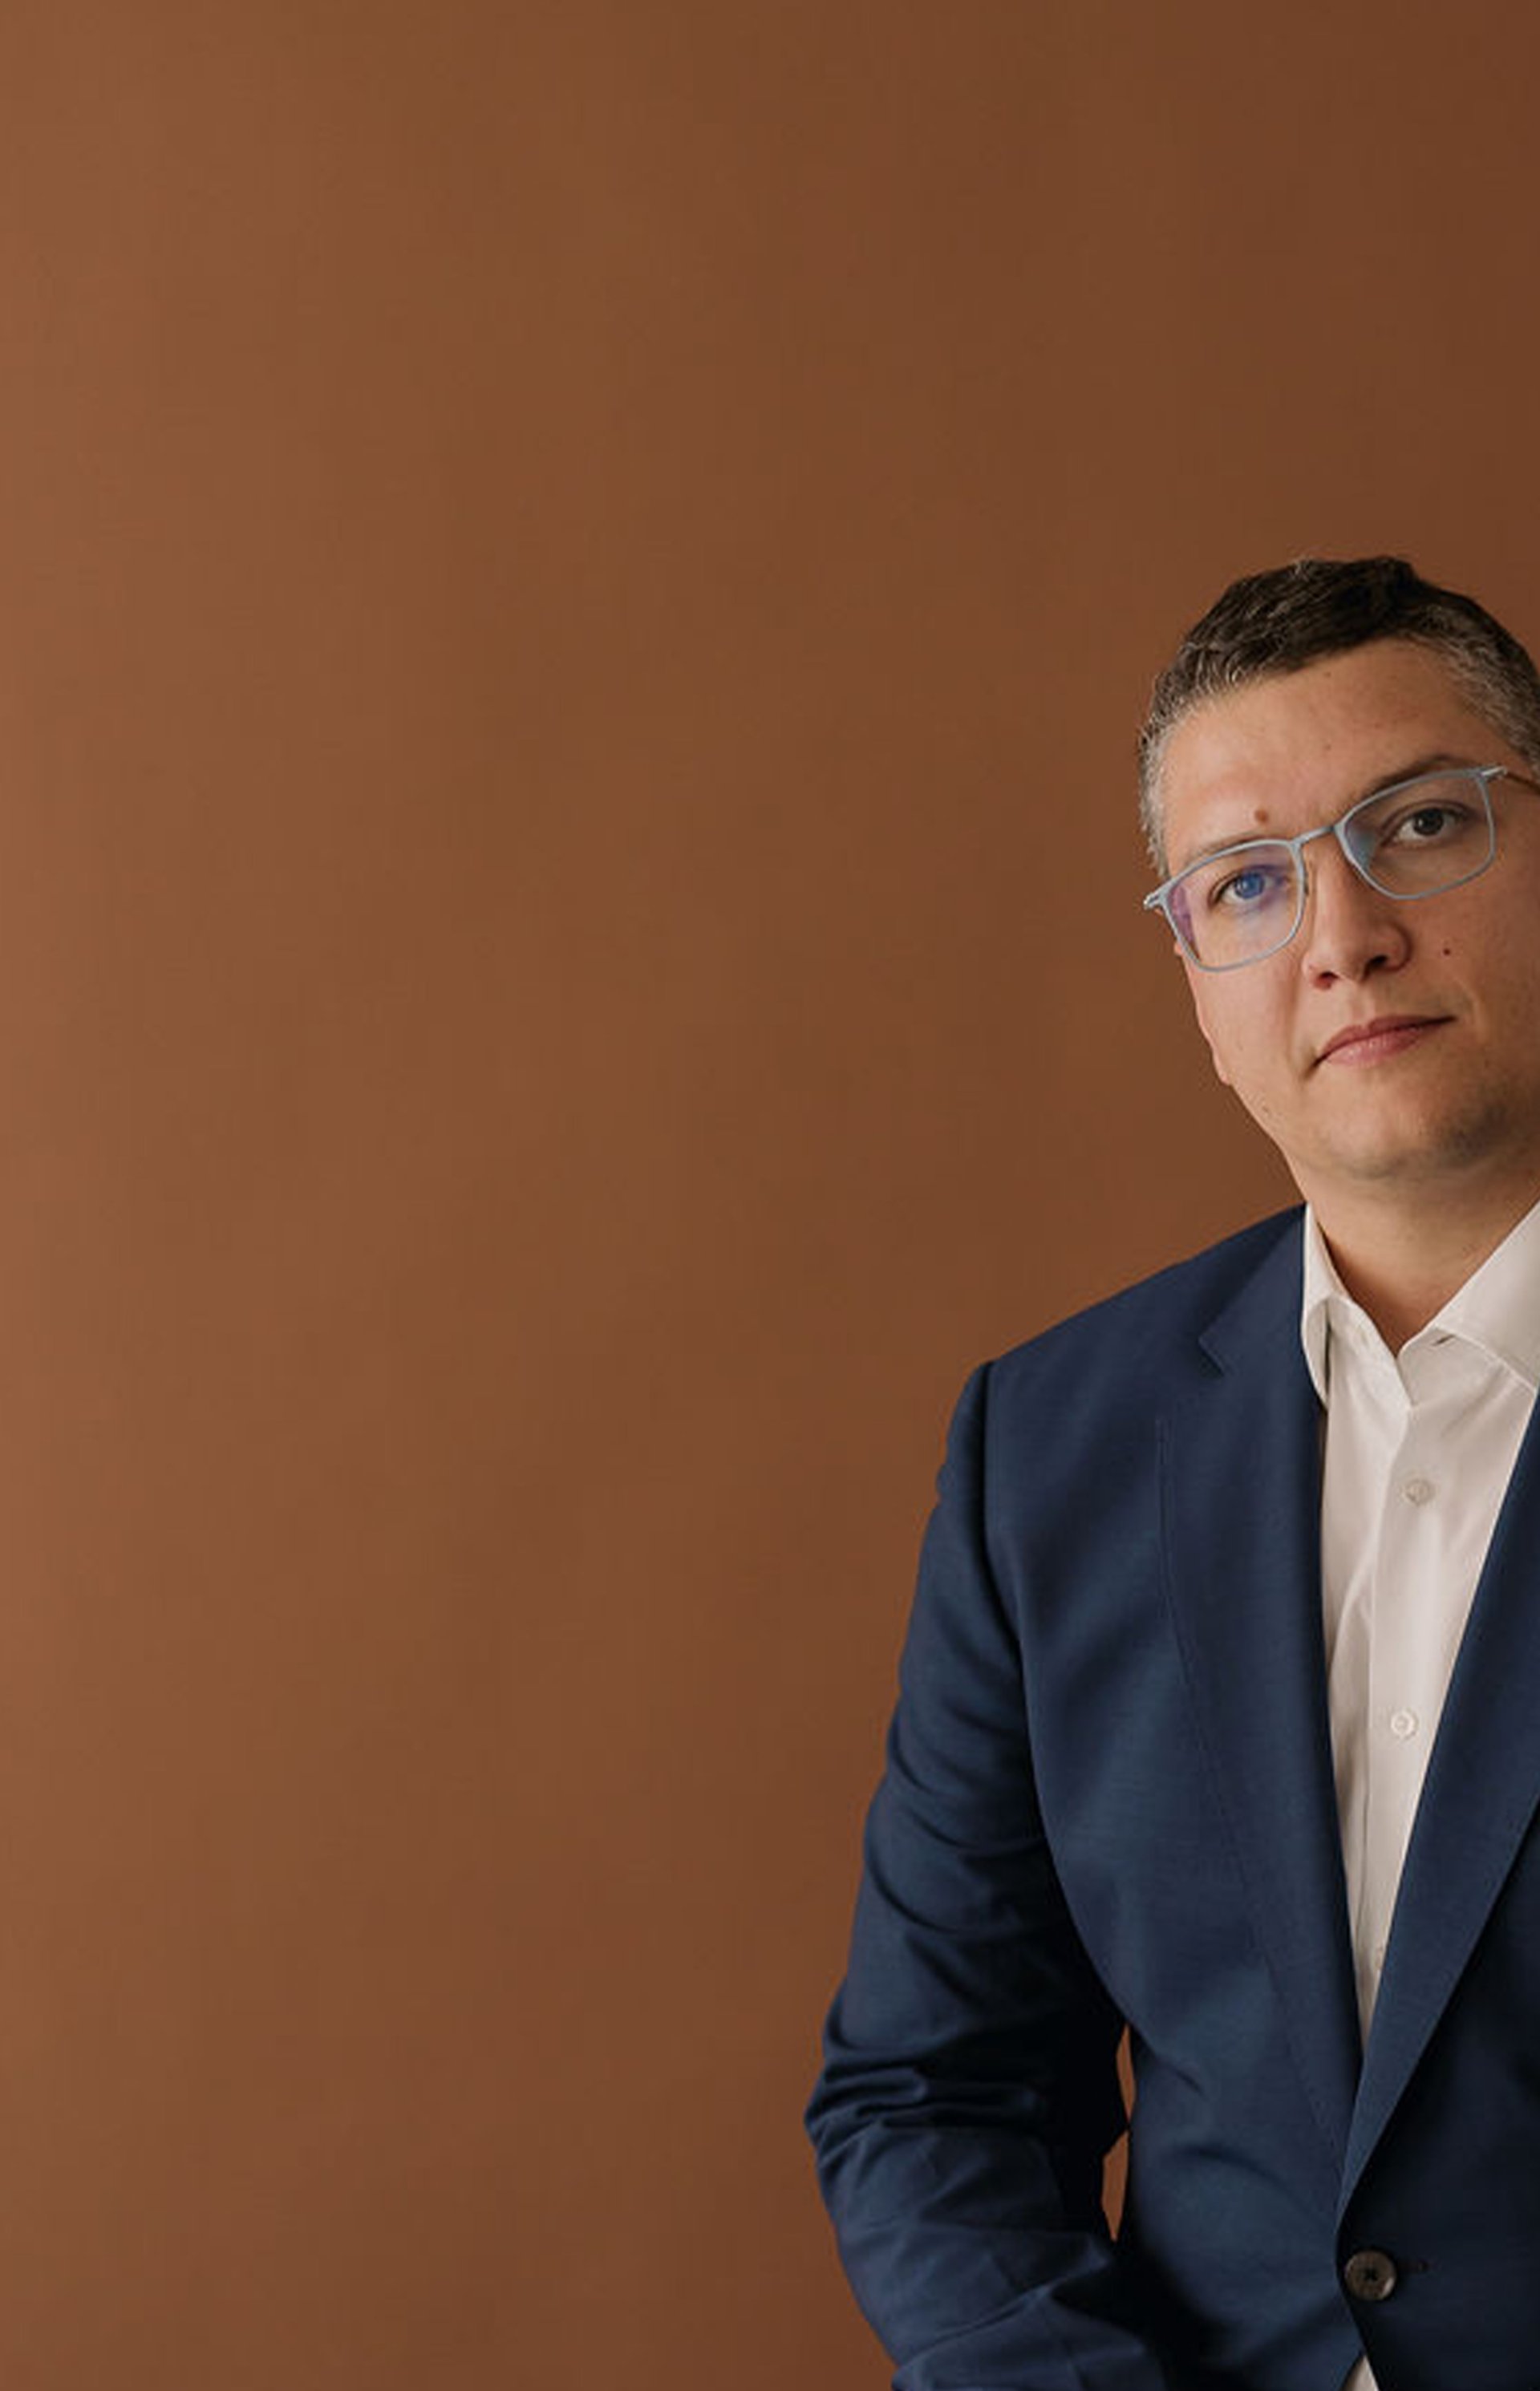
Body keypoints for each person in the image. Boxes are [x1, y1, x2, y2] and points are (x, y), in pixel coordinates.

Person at [806, 556, 1540, 2391]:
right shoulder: (1049, 1448)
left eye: (1425, 825)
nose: (1343, 933)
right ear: (1200, 985)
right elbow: (932, 2090)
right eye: (1248, 882)